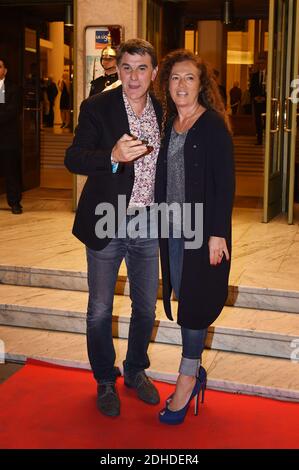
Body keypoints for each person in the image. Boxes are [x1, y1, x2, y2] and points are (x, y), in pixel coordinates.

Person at [65, 39, 162, 417]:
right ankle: (105, 378)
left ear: (154, 73)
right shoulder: (98, 107)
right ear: (117, 69)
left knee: (144, 308)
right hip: (106, 220)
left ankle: (136, 370)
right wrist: (111, 156)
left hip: (149, 222)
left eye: (142, 68)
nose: (134, 76)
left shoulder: (165, 111)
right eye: (127, 67)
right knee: (100, 310)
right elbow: (73, 157)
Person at [155, 49, 235, 425]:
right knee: (184, 295)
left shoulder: (213, 124)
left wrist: (218, 233)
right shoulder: (170, 122)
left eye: (189, 77)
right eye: (174, 78)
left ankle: (187, 376)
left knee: (196, 302)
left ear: (202, 84)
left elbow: (225, 184)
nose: (181, 84)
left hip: (202, 232)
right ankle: (194, 369)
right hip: (171, 227)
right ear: (166, 84)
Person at [0, 57, 23, 214]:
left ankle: (14, 202)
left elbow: (11, 112)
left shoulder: (13, 88)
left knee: (11, 171)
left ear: (5, 70)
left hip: (8, 138)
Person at [250, 55, 267, 144]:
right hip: (257, 102)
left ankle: (268, 140)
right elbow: (251, 89)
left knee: (267, 120)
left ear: (265, 64)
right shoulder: (255, 75)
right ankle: (259, 140)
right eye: (258, 63)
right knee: (258, 121)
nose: (260, 65)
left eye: (262, 63)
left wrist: (265, 97)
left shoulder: (269, 75)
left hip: (267, 102)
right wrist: (255, 97)